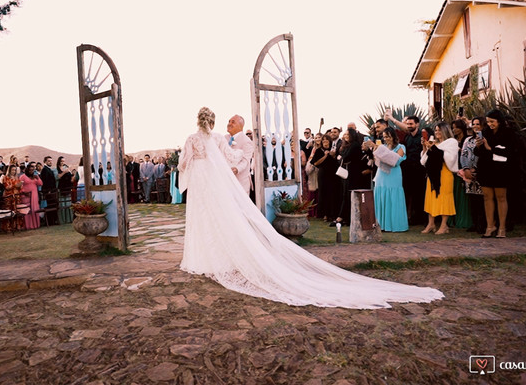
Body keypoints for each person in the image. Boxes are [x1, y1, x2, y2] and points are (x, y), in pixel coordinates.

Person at [177, 107, 443, 308]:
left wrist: (192, 176)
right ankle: (218, 256)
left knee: (204, 218)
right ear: (211, 122)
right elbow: (233, 158)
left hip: (203, 186)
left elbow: (183, 164)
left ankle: (205, 256)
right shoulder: (220, 140)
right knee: (219, 218)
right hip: (215, 183)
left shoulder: (191, 139)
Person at [475, 109, 518, 238]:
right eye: (488, 122)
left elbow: (512, 152)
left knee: (501, 197)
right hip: (485, 168)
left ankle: (502, 228)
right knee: (487, 197)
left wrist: (491, 148)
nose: (490, 124)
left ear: (499, 121)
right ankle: (489, 226)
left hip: (501, 170)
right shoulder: (485, 133)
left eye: (492, 121)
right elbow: (478, 153)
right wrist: (478, 146)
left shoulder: (509, 133)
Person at [365, 127, 409, 232]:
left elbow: (396, 160)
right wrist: (374, 149)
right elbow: (377, 159)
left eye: (388, 136)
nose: (386, 139)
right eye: (384, 137)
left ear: (393, 136)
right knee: (381, 197)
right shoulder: (382, 146)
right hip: (381, 174)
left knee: (393, 197)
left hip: (394, 175)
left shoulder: (400, 147)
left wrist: (377, 147)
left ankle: (394, 224)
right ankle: (381, 224)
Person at [387, 113, 427, 227]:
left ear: (417, 124)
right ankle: (412, 217)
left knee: (420, 194)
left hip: (420, 169)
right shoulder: (407, 137)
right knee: (410, 194)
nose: (409, 125)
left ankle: (422, 218)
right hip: (408, 170)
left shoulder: (423, 136)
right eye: (408, 124)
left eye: (411, 123)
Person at [420, 122, 460, 234]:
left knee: (444, 199)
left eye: (439, 130)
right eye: (436, 130)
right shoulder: (434, 143)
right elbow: (423, 161)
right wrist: (426, 147)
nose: (437, 132)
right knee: (431, 198)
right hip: (432, 175)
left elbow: (450, 158)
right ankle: (431, 224)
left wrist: (435, 149)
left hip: (445, 173)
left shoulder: (451, 142)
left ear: (445, 130)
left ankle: (444, 225)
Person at [460, 117, 486, 233]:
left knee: (482, 200)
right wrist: (466, 169)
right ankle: (474, 223)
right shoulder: (468, 140)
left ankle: (483, 224)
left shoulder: (486, 139)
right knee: (473, 199)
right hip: (469, 174)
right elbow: (463, 154)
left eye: (478, 124)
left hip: (481, 172)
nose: (475, 126)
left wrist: (476, 168)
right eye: (473, 124)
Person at [450, 119, 472, 229]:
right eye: (452, 127)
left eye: (456, 127)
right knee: (455, 194)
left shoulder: (467, 140)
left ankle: (463, 219)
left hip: (464, 169)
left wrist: (460, 150)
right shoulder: (452, 140)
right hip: (454, 169)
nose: (454, 130)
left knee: (463, 195)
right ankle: (453, 219)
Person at [312, 135, 339, 222]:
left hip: (333, 174)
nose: (325, 142)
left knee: (333, 193)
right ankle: (325, 214)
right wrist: (325, 156)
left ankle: (333, 214)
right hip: (323, 174)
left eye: (327, 140)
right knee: (323, 193)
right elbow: (315, 163)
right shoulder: (319, 151)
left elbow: (337, 161)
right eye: (323, 141)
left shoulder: (334, 149)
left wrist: (333, 155)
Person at [226, 114, 255, 195]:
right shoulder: (224, 138)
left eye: (233, 122)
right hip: (226, 180)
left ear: (240, 126)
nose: (229, 124)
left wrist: (237, 169)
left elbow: (246, 160)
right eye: (229, 121)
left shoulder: (247, 141)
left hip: (241, 181)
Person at [0, 165, 25, 232]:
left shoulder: (17, 177)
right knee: (10, 212)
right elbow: (7, 187)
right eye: (12, 170)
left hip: (17, 196)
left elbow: (20, 187)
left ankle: (17, 226)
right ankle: (9, 227)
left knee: (17, 211)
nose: (14, 171)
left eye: (15, 170)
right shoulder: (6, 177)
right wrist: (14, 185)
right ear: (9, 170)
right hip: (9, 197)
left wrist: (20, 185)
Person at [19, 162, 43, 230]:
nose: (31, 171)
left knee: (34, 210)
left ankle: (35, 225)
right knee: (28, 211)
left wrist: (37, 178)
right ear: (27, 170)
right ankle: (28, 226)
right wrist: (23, 192)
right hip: (26, 196)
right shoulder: (23, 176)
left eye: (32, 170)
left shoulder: (34, 176)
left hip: (34, 196)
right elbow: (19, 187)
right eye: (30, 170)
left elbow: (40, 184)